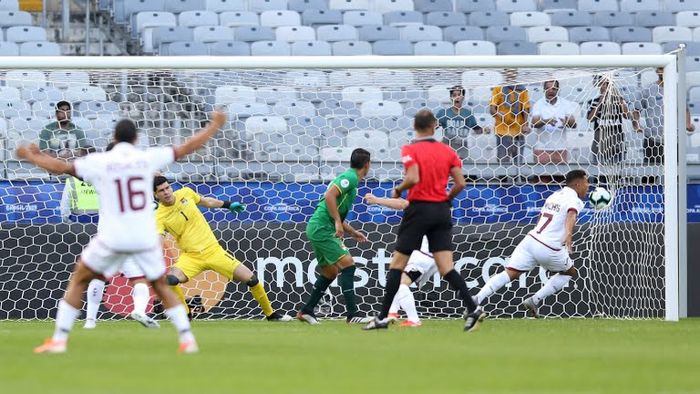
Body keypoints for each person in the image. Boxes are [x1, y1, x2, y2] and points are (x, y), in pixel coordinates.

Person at [21, 110, 227, 354]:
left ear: (115, 139)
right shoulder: (147, 159)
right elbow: (187, 147)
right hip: (142, 236)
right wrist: (214, 125)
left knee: (79, 280)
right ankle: (187, 339)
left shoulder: (99, 161)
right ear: (136, 139)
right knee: (160, 285)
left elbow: (60, 167)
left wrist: (32, 156)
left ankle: (59, 339)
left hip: (111, 236)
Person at [363, 109, 484, 332]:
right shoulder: (447, 150)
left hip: (419, 210)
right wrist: (445, 200)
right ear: (434, 127)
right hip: (441, 211)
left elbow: (413, 177)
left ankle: (381, 318)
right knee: (447, 268)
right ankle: (473, 308)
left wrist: (398, 190)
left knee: (397, 265)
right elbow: (460, 183)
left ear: (414, 127)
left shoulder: (410, 149)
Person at [153, 176, 292, 322]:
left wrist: (228, 204)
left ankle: (271, 314)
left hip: (214, 252)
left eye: (168, 187)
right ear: (156, 195)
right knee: (171, 280)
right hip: (191, 257)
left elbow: (206, 201)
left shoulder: (186, 193)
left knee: (252, 279)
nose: (167, 192)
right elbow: (159, 237)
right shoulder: (159, 217)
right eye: (162, 190)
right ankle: (186, 315)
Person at [474, 169, 589, 318]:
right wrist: (568, 233)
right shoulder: (575, 200)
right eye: (587, 182)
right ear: (578, 184)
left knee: (509, 273)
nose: (588, 186)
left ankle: (476, 298)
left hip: (531, 240)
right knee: (569, 272)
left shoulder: (554, 195)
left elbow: (541, 216)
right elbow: (571, 215)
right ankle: (534, 300)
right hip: (550, 247)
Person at [297, 148, 372, 325]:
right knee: (348, 264)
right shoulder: (351, 178)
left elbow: (333, 208)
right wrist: (338, 223)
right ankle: (353, 314)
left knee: (330, 272)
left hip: (319, 227)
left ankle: (306, 311)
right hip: (322, 228)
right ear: (367, 165)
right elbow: (330, 195)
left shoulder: (350, 178)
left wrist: (352, 231)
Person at [364, 193, 437, 328]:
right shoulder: (438, 204)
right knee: (396, 279)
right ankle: (392, 313)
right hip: (429, 254)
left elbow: (402, 204)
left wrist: (376, 200)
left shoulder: (424, 201)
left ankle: (414, 319)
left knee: (400, 283)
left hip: (422, 255)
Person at [634, 66, 695, 165]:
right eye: (661, 69)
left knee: (675, 173)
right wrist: (636, 125)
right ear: (657, 71)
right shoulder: (648, 90)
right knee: (651, 175)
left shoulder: (677, 89)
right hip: (653, 139)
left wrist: (687, 124)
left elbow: (684, 109)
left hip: (673, 139)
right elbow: (636, 110)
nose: (663, 71)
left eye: (665, 69)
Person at [587, 75, 640, 165]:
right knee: (599, 174)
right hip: (600, 142)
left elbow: (627, 116)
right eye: (603, 84)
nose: (605, 86)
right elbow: (590, 119)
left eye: (607, 84)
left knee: (618, 173)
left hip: (617, 143)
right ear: (599, 85)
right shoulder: (593, 102)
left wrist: (621, 103)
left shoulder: (619, 100)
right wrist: (600, 103)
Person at [530, 80, 577, 165]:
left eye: (554, 89)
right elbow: (533, 123)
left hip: (561, 148)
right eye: (548, 88)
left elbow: (574, 124)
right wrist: (546, 121)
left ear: (558, 90)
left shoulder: (566, 104)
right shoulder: (538, 104)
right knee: (542, 177)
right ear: (544, 90)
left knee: (561, 177)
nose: (551, 91)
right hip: (542, 148)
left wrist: (567, 122)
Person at [489, 69, 531, 166]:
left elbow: (525, 109)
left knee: (518, 163)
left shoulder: (522, 89)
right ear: (504, 73)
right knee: (503, 163)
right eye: (508, 71)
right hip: (503, 132)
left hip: (518, 132)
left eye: (513, 72)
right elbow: (492, 109)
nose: (510, 74)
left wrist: (525, 125)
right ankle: (503, 181)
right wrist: (500, 115)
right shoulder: (498, 88)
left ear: (516, 74)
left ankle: (518, 180)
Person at [435, 85, 484, 160]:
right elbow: (433, 128)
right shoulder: (443, 113)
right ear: (451, 97)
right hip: (447, 149)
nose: (457, 97)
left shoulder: (468, 113)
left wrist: (483, 130)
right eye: (454, 95)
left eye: (459, 95)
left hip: (462, 149)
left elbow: (476, 129)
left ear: (463, 97)